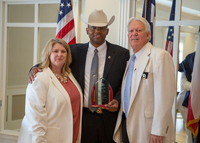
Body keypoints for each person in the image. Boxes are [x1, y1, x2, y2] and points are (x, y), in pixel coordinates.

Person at [28, 10, 130, 143]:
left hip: (109, 119)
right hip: (82, 118)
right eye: (93, 28)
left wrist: (118, 100)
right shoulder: (74, 51)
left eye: (101, 28)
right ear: (87, 30)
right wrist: (34, 68)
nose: (96, 31)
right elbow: (52, 60)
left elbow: (126, 83)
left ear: (107, 31)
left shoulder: (121, 54)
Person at [113, 17, 176, 143]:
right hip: (127, 124)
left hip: (149, 128)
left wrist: (159, 130)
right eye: (131, 31)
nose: (134, 34)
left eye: (138, 30)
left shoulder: (160, 56)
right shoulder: (131, 60)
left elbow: (165, 97)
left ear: (148, 35)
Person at [18, 38, 83, 143]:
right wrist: (39, 140)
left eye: (63, 51)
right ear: (48, 54)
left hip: (71, 135)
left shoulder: (69, 74)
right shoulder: (39, 78)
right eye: (55, 51)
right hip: (48, 138)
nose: (60, 54)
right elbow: (35, 116)